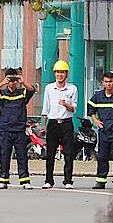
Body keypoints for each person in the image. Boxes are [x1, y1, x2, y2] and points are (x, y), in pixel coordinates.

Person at [0, 68, 36, 189]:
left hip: (19, 129)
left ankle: (25, 180)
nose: (13, 82)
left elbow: (32, 90)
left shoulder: (22, 92)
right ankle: (3, 180)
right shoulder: (2, 94)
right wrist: (3, 83)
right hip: (5, 129)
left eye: (14, 80)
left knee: (22, 156)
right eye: (11, 80)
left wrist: (22, 82)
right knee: (4, 155)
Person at [41, 60, 78, 189]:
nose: (59, 75)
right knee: (50, 153)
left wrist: (66, 104)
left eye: (62, 72)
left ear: (66, 74)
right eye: (57, 72)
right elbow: (45, 108)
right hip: (53, 123)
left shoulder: (72, 89)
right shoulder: (49, 88)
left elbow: (73, 108)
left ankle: (68, 180)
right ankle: (48, 180)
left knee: (68, 153)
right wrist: (44, 125)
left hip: (66, 123)